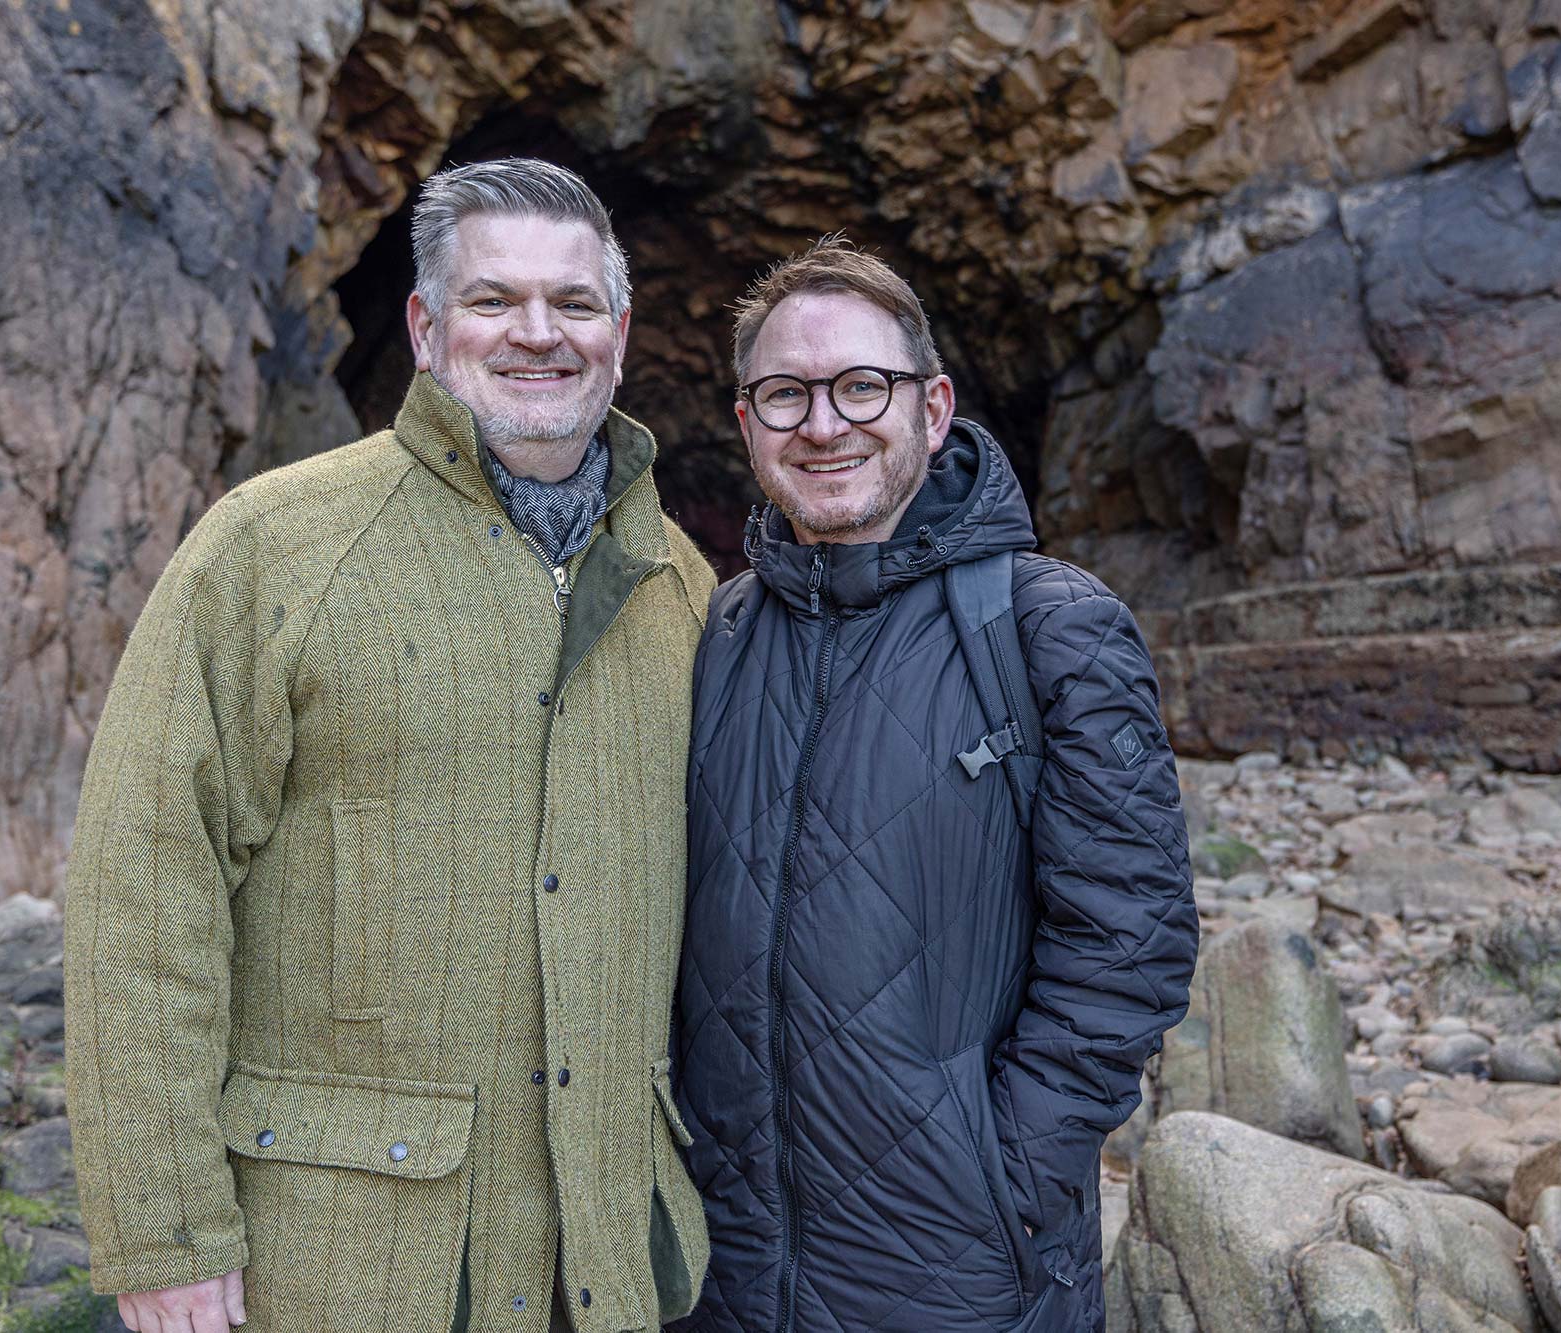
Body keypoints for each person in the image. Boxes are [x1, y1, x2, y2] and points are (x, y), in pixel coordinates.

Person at [64, 157, 715, 1333]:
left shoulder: (686, 588)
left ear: (618, 337)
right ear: (424, 326)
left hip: (613, 1257)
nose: (538, 334)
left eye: (573, 304)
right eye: (492, 300)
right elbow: (142, 892)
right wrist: (162, 1234)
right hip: (342, 1266)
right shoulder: (270, 547)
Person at [670, 237, 1198, 1332]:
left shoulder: (1052, 626)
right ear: (744, 423)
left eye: (861, 385)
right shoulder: (715, 633)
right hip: (723, 1270)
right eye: (783, 395)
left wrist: (1007, 1170)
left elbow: (1130, 940)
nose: (823, 424)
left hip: (962, 1268)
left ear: (932, 405)